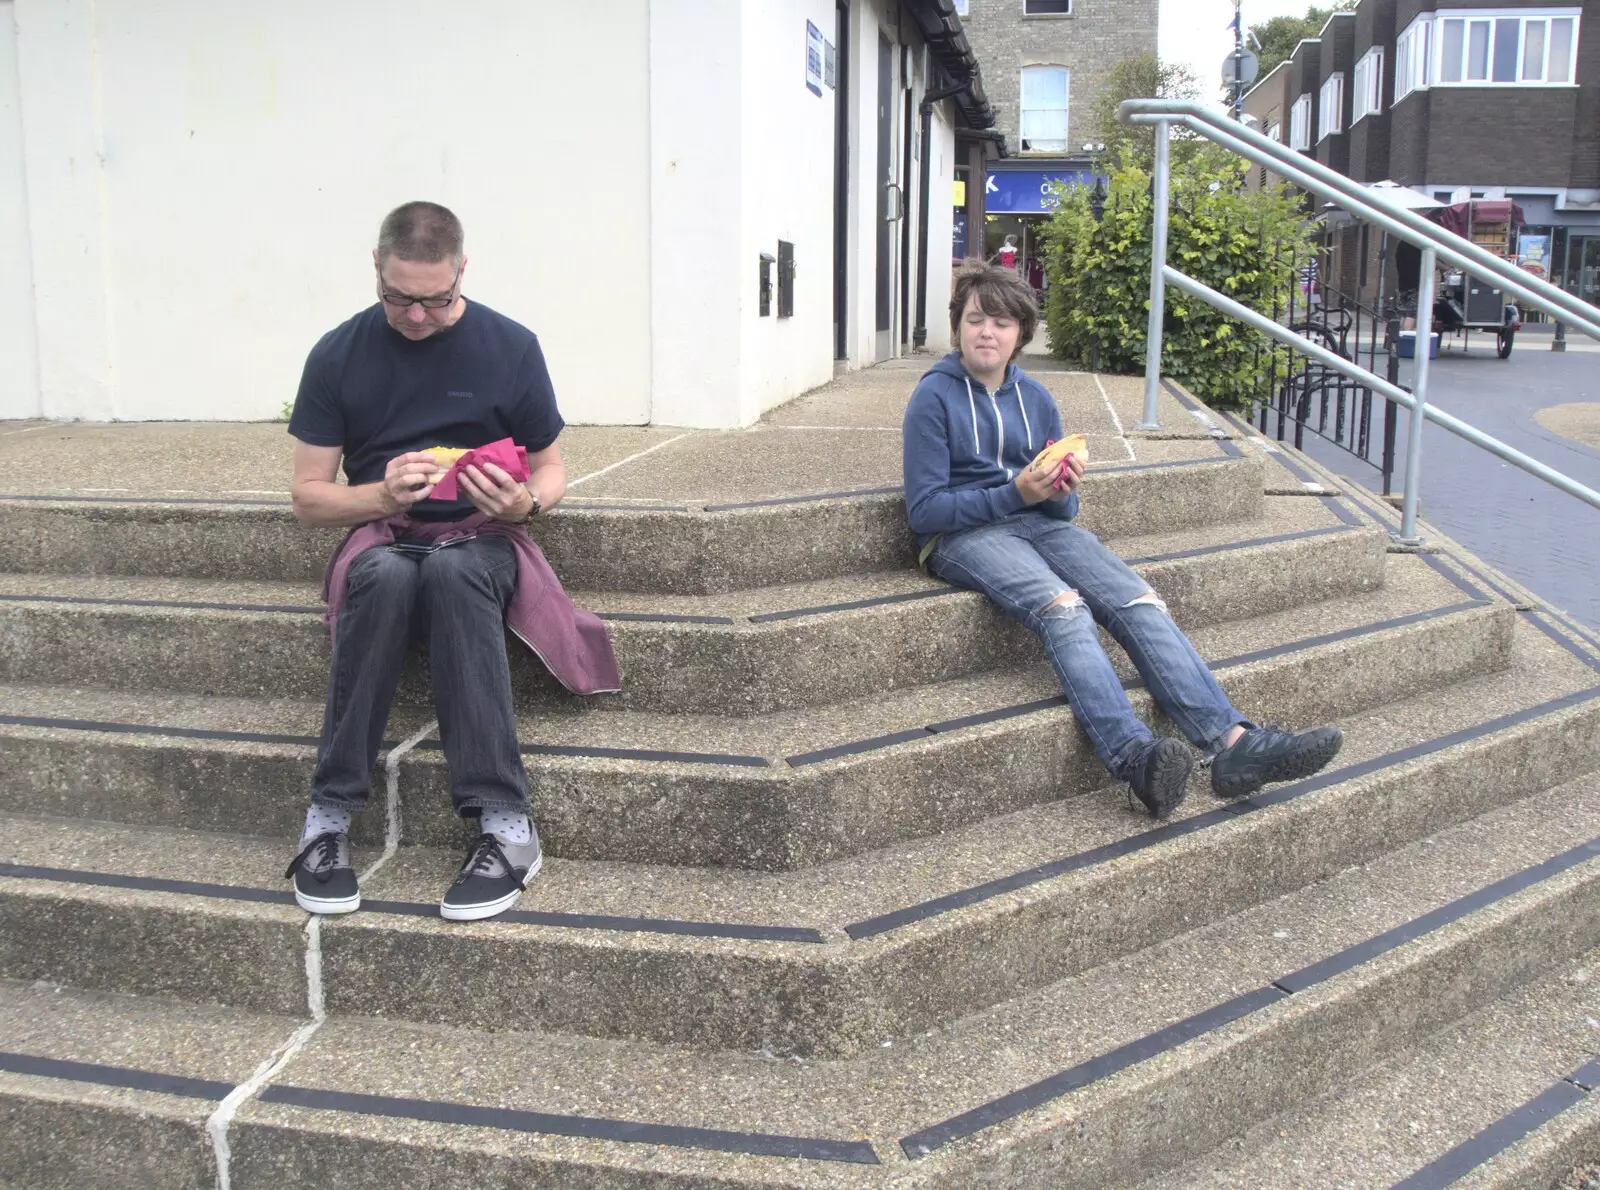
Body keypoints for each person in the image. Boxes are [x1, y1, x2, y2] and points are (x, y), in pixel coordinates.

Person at [902, 262, 1342, 818]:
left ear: (1021, 335)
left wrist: (1059, 489)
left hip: (1036, 522)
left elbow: (1064, 510)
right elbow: (924, 510)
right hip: (959, 534)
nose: (987, 332)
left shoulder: (1035, 398)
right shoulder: (933, 398)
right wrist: (1017, 491)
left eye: (1001, 323)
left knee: (1139, 599)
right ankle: (1136, 760)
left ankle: (1233, 746)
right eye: (975, 320)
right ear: (957, 327)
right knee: (1064, 609)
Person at [284, 201, 619, 920]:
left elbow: (552, 467)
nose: (416, 315)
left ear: (462, 271)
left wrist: (524, 504)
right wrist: (378, 493)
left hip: (482, 537)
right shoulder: (338, 353)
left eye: (436, 299)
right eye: (399, 297)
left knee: (454, 569)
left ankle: (506, 822)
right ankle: (328, 818)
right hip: (383, 534)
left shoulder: (510, 346)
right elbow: (309, 498)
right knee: (384, 573)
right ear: (375, 268)